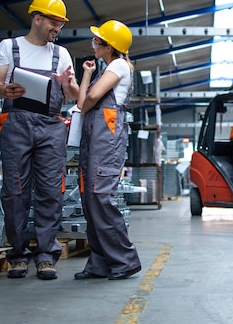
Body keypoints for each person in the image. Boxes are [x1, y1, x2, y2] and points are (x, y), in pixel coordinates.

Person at [0, 0, 79, 280]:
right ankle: (18, 255)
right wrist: (5, 91)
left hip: (51, 126)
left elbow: (75, 95)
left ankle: (45, 255)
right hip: (16, 124)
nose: (58, 28)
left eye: (61, 24)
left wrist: (69, 85)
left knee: (51, 191)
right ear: (37, 18)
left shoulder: (60, 54)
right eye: (54, 22)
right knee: (15, 191)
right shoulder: (9, 47)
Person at [74, 20, 142, 281]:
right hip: (94, 137)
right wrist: (87, 75)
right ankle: (100, 262)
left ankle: (125, 259)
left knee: (100, 196)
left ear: (109, 46)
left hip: (107, 138)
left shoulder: (118, 65)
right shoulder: (104, 69)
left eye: (97, 41)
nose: (93, 44)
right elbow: (83, 103)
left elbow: (90, 99)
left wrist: (88, 97)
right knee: (89, 200)